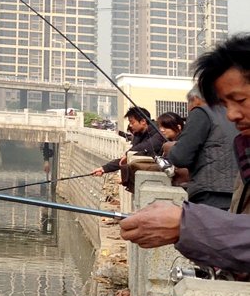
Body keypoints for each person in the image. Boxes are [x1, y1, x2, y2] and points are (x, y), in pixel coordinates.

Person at [119, 33, 250, 275]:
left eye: (239, 100)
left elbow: (180, 157)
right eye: (225, 104)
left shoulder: (202, 114)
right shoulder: (244, 147)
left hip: (209, 198)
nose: (231, 115)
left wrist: (186, 224)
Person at [162, 85, 238, 210]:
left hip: (209, 194)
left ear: (195, 99)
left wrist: (171, 148)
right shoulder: (236, 114)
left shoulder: (201, 112)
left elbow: (180, 157)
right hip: (239, 195)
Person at [91, 106, 165, 177]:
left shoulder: (159, 131)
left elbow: (147, 146)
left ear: (143, 121)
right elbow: (129, 156)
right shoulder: (138, 135)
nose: (130, 125)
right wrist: (104, 169)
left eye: (132, 122)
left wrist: (128, 153)